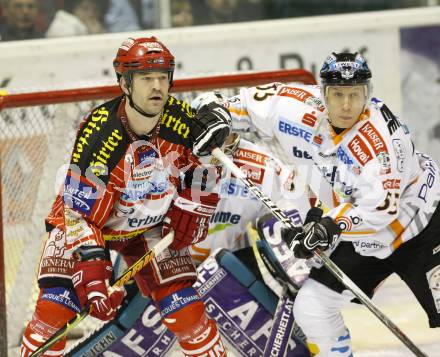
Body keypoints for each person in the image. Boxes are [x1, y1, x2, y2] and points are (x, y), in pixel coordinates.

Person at [204, 52, 440, 356]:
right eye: (337, 94)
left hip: (423, 224)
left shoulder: (381, 142)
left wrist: (327, 227)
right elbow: (247, 104)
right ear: (322, 93)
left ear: (367, 94)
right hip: (364, 238)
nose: (345, 105)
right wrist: (216, 113)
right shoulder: (298, 107)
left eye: (354, 95)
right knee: (312, 307)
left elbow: (381, 209)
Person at [20, 36, 231, 357]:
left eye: (163, 77)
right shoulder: (100, 134)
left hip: (148, 227)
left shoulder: (182, 119)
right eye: (146, 78)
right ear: (125, 83)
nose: (157, 86)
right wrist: (92, 275)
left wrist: (196, 200)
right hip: (89, 223)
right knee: (54, 310)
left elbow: (210, 162)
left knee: (187, 311)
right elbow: (79, 213)